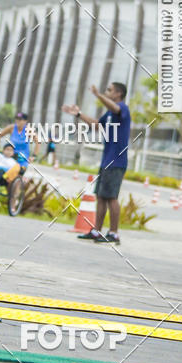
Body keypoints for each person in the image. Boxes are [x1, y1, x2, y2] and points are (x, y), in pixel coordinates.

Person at [63, 81, 131, 245]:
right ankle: (96, 231)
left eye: (109, 90)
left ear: (118, 94)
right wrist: (79, 115)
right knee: (101, 196)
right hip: (106, 160)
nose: (107, 92)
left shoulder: (123, 109)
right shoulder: (108, 114)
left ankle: (114, 233)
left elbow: (116, 108)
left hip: (117, 161)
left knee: (112, 197)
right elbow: (96, 126)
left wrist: (98, 95)